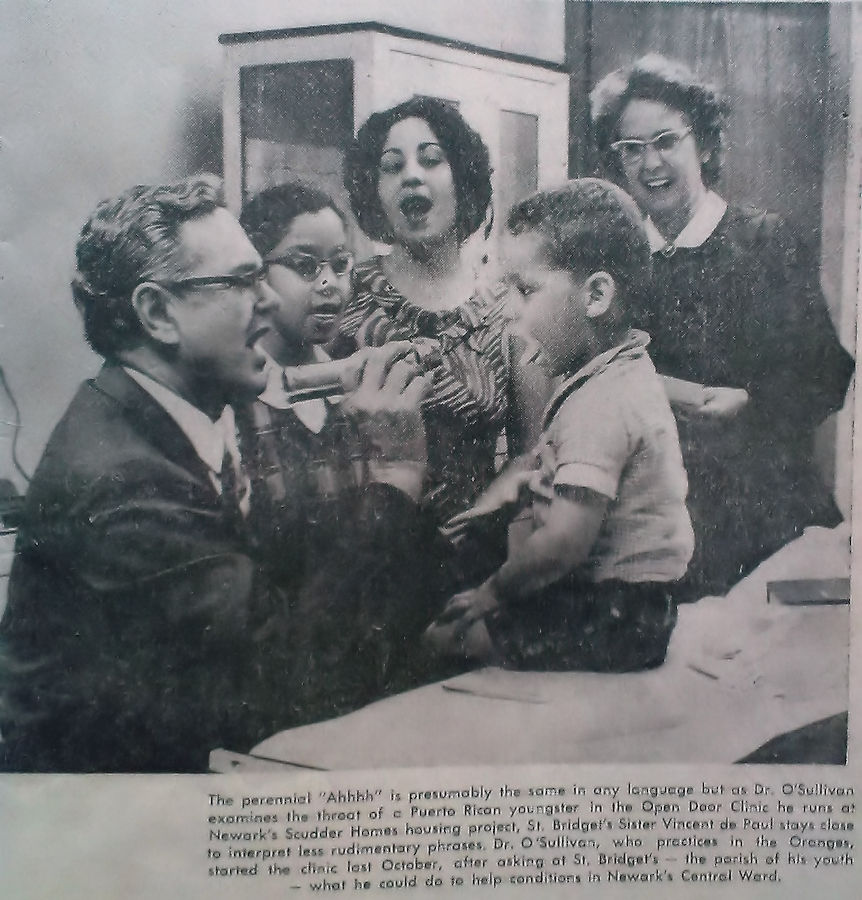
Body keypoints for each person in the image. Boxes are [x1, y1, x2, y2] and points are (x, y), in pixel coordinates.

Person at [0, 175, 432, 772]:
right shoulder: (126, 481)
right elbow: (298, 677)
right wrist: (394, 475)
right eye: (240, 282)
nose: (272, 301)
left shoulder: (158, 420)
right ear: (156, 312)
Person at [591, 54, 855, 598]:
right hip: (653, 525)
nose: (650, 163)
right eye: (632, 149)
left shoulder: (763, 242)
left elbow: (824, 373)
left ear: (704, 145)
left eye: (666, 141)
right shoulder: (615, 261)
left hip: (759, 510)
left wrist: (751, 403)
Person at [426, 180, 693, 672]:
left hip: (614, 612)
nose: (509, 310)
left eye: (525, 290)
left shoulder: (603, 402)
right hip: (621, 605)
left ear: (595, 295)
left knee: (455, 639)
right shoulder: (614, 374)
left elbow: (566, 543)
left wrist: (491, 594)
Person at [237, 182, 450, 721]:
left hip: (367, 671)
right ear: (256, 278)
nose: (329, 283)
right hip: (282, 677)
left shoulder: (359, 385)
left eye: (340, 263)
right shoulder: (235, 401)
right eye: (305, 266)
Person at [338, 96, 547, 530]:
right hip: (371, 543)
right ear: (374, 191)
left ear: (462, 178)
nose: (411, 175)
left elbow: (530, 451)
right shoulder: (347, 296)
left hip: (472, 553)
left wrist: (473, 524)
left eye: (431, 160)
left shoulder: (509, 307)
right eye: (392, 167)